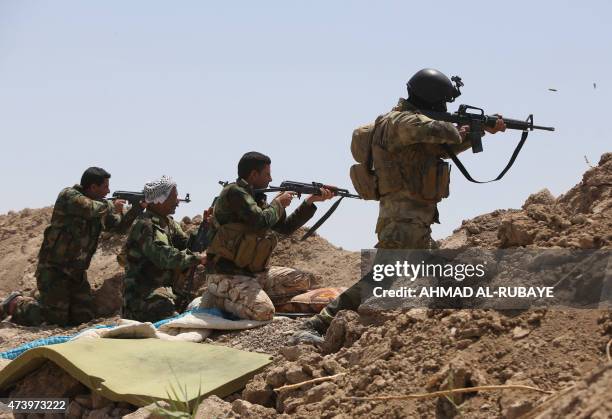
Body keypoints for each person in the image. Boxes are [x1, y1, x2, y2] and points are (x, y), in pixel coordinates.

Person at [299, 68, 507, 337]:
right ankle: (320, 323)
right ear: (431, 99)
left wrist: (481, 131)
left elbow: (444, 146)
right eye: (443, 101)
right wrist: (467, 127)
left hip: (416, 218)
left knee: (436, 268)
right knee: (382, 278)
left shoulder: (412, 126)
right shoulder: (401, 122)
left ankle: (450, 319)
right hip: (402, 218)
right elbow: (439, 131)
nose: (444, 106)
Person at [1, 167, 143, 326]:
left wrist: (137, 208)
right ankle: (15, 304)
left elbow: (118, 228)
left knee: (82, 318)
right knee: (54, 319)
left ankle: (46, 299)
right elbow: (88, 208)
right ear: (93, 187)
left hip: (77, 274)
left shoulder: (100, 207)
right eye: (105, 187)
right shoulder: (69, 196)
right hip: (54, 270)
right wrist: (112, 206)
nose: (108, 190)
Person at [202, 151, 334, 321]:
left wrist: (310, 202)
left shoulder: (258, 199)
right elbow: (261, 221)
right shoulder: (234, 192)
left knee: (303, 279)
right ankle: (220, 299)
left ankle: (247, 297)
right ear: (254, 174)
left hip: (256, 275)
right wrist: (278, 203)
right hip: (227, 275)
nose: (270, 180)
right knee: (264, 311)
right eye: (267, 174)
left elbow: (285, 228)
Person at [122, 175, 206, 322]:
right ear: (160, 200)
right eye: (174, 197)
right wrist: (197, 258)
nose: (177, 202)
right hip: (142, 298)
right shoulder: (146, 225)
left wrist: (207, 227)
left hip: (163, 292)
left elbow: (187, 244)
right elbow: (164, 257)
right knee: (174, 320)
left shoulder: (167, 223)